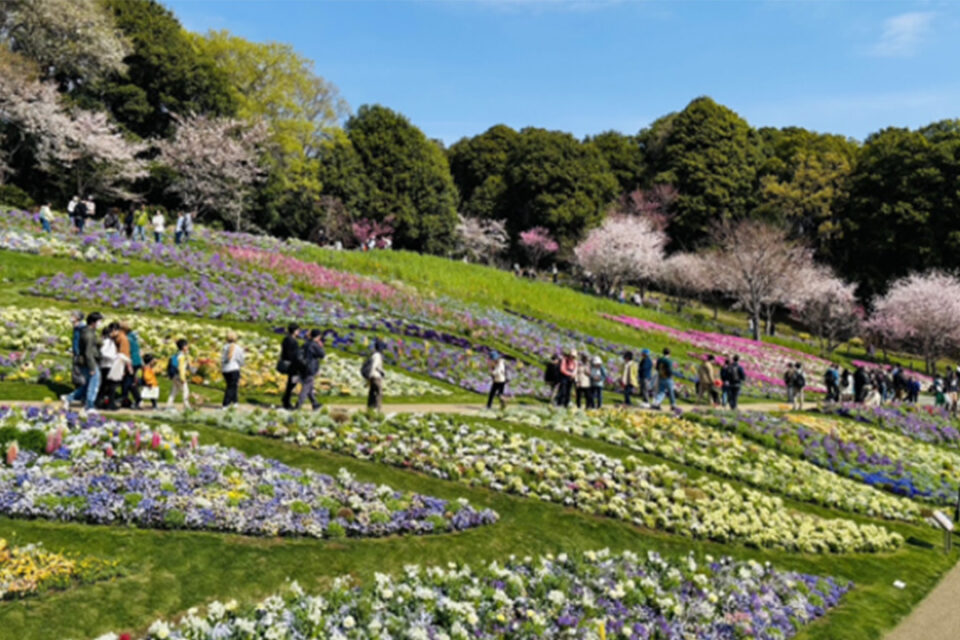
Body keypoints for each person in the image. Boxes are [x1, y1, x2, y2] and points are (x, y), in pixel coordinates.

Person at [62, 312, 102, 411]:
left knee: (87, 385)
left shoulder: (86, 331)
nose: (100, 323)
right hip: (89, 362)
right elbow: (88, 352)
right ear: (93, 322)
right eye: (99, 321)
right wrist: (92, 367)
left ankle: (69, 398)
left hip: (84, 362)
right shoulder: (89, 334)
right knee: (94, 384)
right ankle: (89, 406)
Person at [295, 329, 325, 410]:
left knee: (309, 387)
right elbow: (322, 355)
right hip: (310, 368)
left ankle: (315, 404)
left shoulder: (306, 343)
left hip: (303, 367)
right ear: (318, 336)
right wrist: (320, 346)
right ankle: (299, 404)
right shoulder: (314, 345)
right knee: (306, 387)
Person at [119, 320, 142, 409]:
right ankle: (127, 398)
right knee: (128, 381)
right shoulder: (132, 337)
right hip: (136, 361)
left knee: (128, 382)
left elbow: (127, 352)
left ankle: (133, 398)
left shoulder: (126, 339)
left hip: (131, 361)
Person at [278, 322, 301, 410]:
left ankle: (286, 399)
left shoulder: (286, 339)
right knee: (293, 382)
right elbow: (293, 354)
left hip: (287, 363)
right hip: (292, 365)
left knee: (291, 382)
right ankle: (286, 401)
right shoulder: (293, 341)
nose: (299, 332)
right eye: (298, 330)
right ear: (294, 331)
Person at [221, 331, 245, 408]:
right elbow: (241, 359)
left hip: (225, 370)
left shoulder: (225, 347)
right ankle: (226, 404)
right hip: (234, 369)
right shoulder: (238, 348)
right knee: (231, 387)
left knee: (232, 385)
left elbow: (223, 359)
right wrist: (242, 364)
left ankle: (235, 401)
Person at [166, 338, 191, 410]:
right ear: (183, 347)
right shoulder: (182, 357)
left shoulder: (177, 355)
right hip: (179, 376)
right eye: (186, 345)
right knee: (185, 391)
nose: (188, 347)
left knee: (174, 391)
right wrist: (183, 378)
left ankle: (168, 405)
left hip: (174, 376)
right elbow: (181, 368)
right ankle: (187, 406)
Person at [365, 340, 386, 411]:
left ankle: (369, 408)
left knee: (371, 393)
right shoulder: (378, 356)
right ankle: (377, 409)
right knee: (379, 393)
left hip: (372, 377)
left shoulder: (373, 355)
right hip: (376, 377)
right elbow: (374, 366)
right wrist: (382, 372)